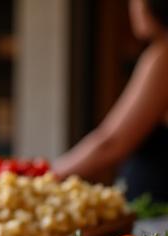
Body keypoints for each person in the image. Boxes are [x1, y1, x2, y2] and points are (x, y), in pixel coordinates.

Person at [53, 0, 168, 202]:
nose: (132, 8)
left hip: (157, 219)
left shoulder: (163, 57)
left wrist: (43, 175)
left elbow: (110, 142)